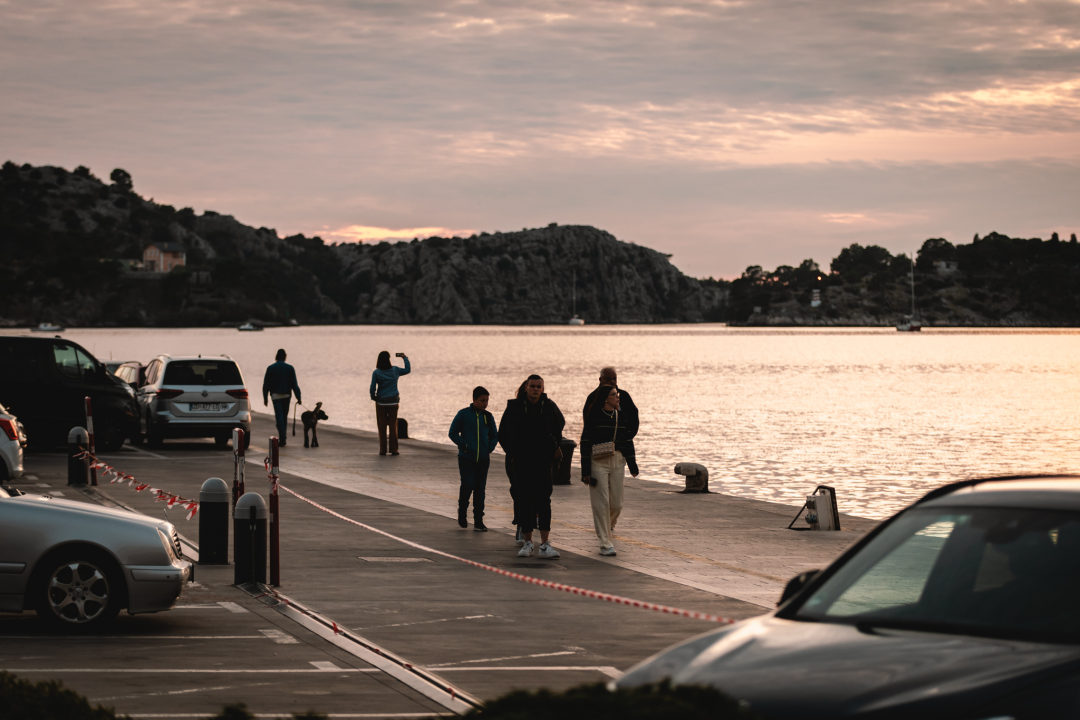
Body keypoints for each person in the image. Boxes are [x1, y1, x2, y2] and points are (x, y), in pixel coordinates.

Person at [498, 374, 565, 559]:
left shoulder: (549, 406)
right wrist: (512, 454)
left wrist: (553, 449)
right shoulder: (514, 407)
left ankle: (544, 544)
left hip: (543, 462)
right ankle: (528, 542)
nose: (535, 389)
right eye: (532, 386)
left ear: (542, 388)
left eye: (538, 386)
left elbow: (559, 428)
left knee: (544, 501)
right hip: (521, 462)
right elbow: (502, 433)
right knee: (524, 501)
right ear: (526, 387)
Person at [580, 383, 639, 556]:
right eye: (614, 394)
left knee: (617, 504)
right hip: (598, 461)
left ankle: (604, 526)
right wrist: (586, 472)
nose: (618, 397)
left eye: (617, 394)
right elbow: (585, 442)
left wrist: (633, 465)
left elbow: (628, 440)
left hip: (618, 460)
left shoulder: (621, 416)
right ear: (606, 398)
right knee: (601, 502)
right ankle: (605, 543)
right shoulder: (594, 416)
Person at [448, 386, 498, 532]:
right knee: (468, 485)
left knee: (480, 490)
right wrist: (463, 445)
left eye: (487, 401)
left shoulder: (488, 417)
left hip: (483, 459)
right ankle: (462, 511)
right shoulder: (463, 414)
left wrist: (489, 447)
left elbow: (494, 435)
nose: (485, 403)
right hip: (466, 458)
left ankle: (478, 521)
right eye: (482, 400)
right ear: (474, 399)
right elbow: (452, 433)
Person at [370, 351, 410, 455]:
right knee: (393, 426)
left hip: (381, 401)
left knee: (382, 425)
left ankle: (383, 450)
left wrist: (373, 397)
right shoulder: (395, 370)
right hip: (393, 401)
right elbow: (407, 370)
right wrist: (404, 358)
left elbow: (372, 387)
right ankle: (394, 450)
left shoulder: (377, 372)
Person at [262, 349, 301, 446]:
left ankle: (282, 436)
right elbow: (294, 385)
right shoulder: (290, 368)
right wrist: (298, 397)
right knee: (284, 417)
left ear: (276, 356)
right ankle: (283, 437)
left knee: (279, 416)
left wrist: (265, 398)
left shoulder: (270, 368)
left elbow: (266, 384)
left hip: (275, 396)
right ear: (285, 357)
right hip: (287, 395)